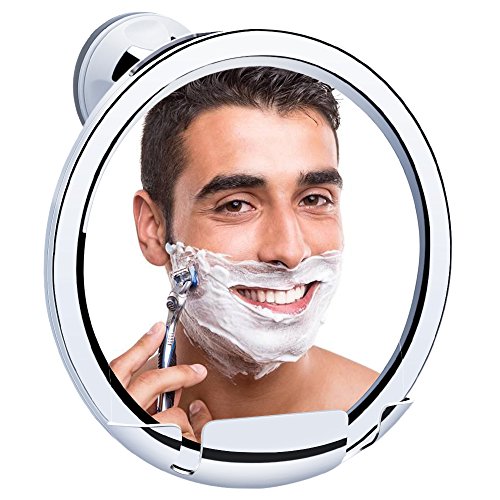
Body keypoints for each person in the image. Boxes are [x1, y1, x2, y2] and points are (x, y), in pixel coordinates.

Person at [110, 66, 378, 443]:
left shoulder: (394, 425)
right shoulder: (95, 431)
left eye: (314, 199)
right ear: (153, 229)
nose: (290, 251)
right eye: (236, 205)